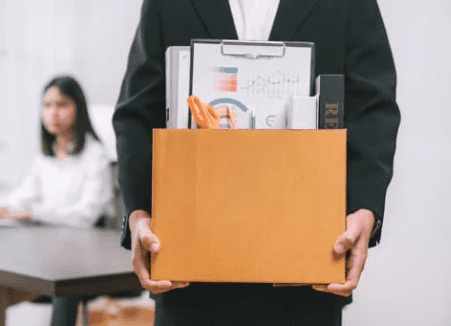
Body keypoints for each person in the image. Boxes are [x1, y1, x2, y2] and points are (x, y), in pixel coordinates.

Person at [113, 0, 401, 325]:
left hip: (306, 279)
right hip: (191, 279)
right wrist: (138, 216)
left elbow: (373, 108)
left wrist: (366, 211)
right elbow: (136, 113)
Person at [0, 75, 115, 325]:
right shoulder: (46, 157)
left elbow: (85, 216)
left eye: (61, 105)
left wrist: (32, 213)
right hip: (43, 257)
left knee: (65, 287)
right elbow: (23, 196)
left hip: (79, 263)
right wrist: (6, 208)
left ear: (78, 108)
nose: (53, 113)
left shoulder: (95, 155)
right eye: (47, 105)